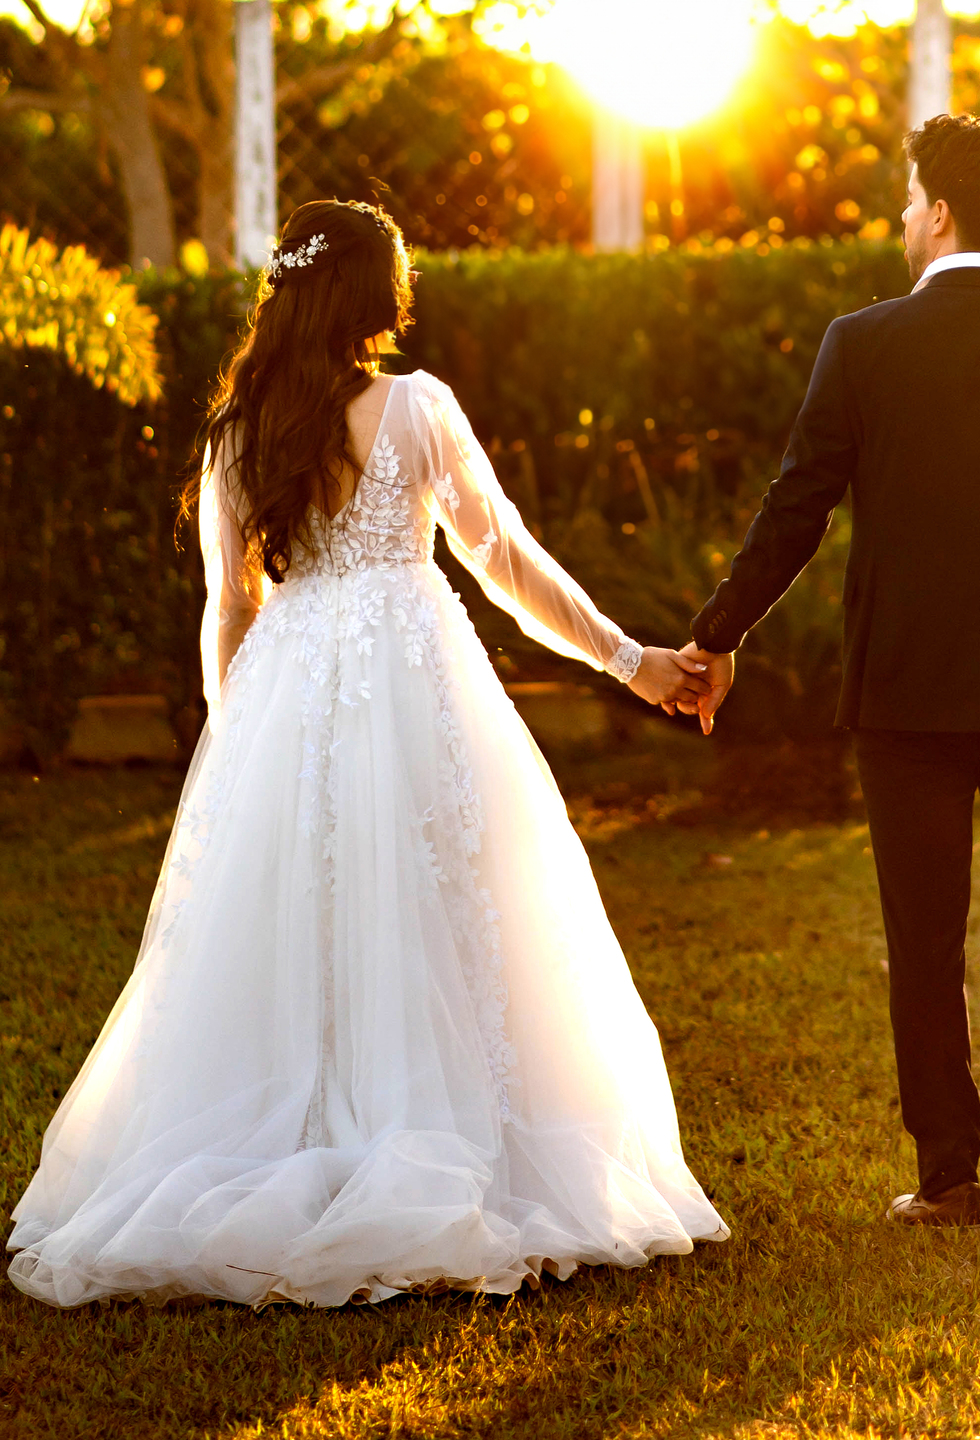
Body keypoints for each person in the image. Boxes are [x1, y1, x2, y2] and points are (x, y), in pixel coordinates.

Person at [7, 200, 727, 1307]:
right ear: (376, 296)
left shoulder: (237, 429)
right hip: (413, 674)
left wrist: (231, 740)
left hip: (290, 689)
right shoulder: (417, 408)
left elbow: (228, 612)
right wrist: (630, 660)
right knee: (452, 904)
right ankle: (442, 1131)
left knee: (306, 916)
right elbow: (509, 565)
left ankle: (317, 1128)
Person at [682, 115, 980, 1225]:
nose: (899, 217)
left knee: (922, 928)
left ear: (939, 212)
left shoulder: (864, 342)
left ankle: (945, 1177)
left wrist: (717, 632)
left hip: (906, 690)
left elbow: (797, 509)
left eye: (905, 198)